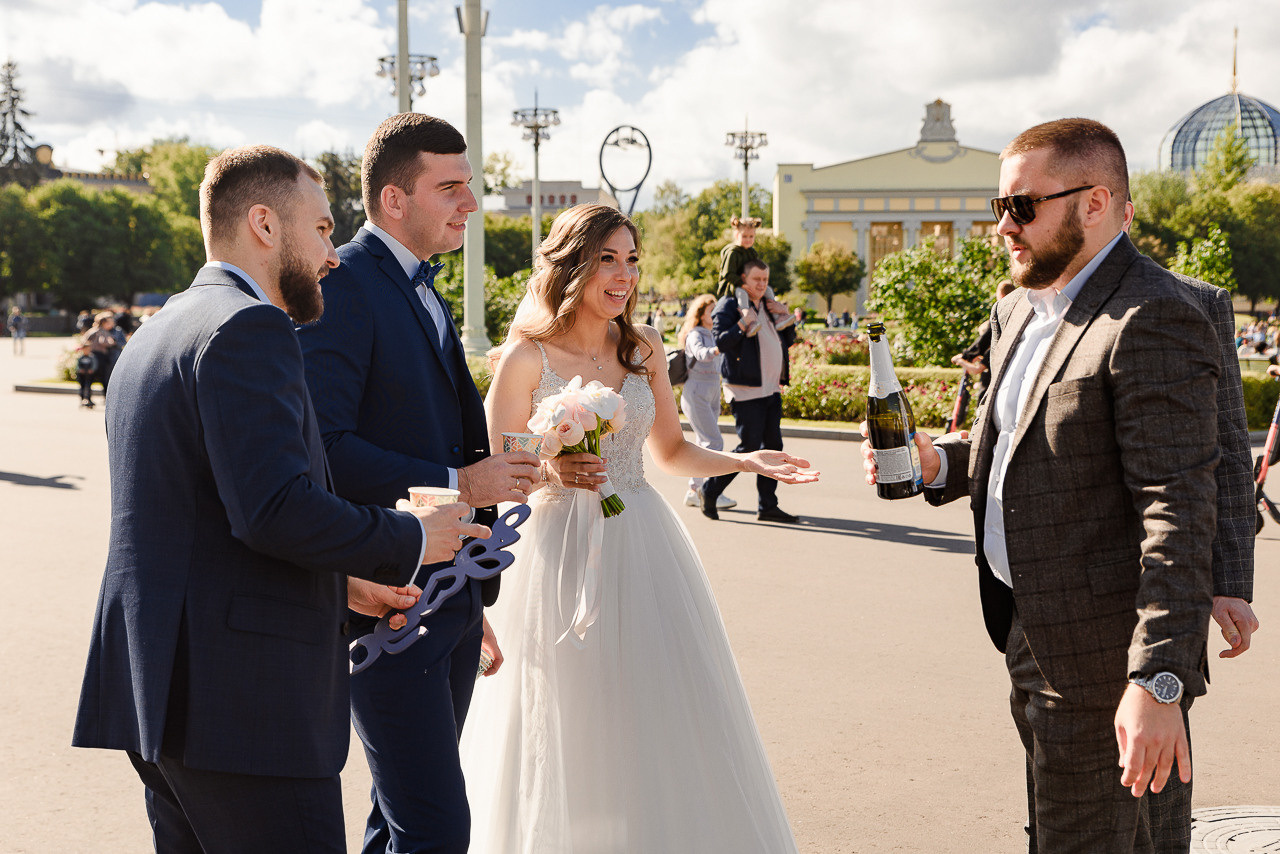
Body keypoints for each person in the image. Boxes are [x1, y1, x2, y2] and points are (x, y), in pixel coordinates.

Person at [72, 144, 489, 854]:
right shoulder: (249, 326)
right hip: (246, 708)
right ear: (264, 225)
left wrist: (341, 581)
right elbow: (274, 508)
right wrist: (412, 535)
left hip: (160, 697)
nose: (333, 254)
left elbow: (211, 516)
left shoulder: (160, 330)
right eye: (324, 230)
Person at [864, 118, 1220, 852]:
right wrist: (939, 465)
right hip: (1027, 627)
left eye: (1022, 206)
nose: (1003, 226)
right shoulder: (1019, 308)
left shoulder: (1151, 317)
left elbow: (1178, 511)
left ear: (1095, 203)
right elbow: (1024, 446)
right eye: (1000, 206)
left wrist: (1159, 680)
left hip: (1106, 663)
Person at [461, 202, 816, 853]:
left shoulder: (644, 346)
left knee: (655, 718)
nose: (623, 276)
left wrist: (742, 457)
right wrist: (552, 472)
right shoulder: (525, 360)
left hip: (644, 546)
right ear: (572, 265)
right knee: (569, 721)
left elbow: (671, 453)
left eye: (631, 260)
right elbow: (497, 475)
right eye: (607, 259)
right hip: (557, 554)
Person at [297, 112, 540, 854]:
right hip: (389, 603)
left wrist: (467, 596)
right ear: (394, 200)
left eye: (471, 186)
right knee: (435, 829)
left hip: (450, 596)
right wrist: (460, 480)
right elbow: (325, 447)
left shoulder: (423, 288)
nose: (471, 203)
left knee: (399, 820)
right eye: (452, 187)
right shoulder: (343, 285)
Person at [701, 259, 800, 523]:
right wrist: (743, 324)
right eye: (757, 279)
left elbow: (788, 340)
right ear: (743, 279)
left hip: (770, 388)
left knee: (773, 447)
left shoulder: (767, 305)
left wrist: (785, 316)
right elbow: (721, 341)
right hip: (745, 389)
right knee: (749, 447)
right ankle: (709, 490)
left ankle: (767, 506)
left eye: (765, 280)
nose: (762, 284)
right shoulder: (730, 305)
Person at [678, 293, 734, 509]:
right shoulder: (696, 334)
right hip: (696, 391)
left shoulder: (714, 333)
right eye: (712, 311)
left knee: (705, 443)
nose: (716, 315)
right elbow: (702, 354)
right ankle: (711, 492)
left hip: (711, 390)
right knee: (714, 442)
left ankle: (694, 490)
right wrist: (721, 347)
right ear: (701, 314)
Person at [718, 215, 792, 333]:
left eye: (751, 236)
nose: (748, 239)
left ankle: (777, 318)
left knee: (768, 290)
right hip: (734, 285)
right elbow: (727, 274)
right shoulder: (732, 253)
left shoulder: (752, 253)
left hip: (748, 284)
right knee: (742, 294)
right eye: (744, 236)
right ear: (737, 235)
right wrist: (743, 284)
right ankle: (749, 321)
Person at [952, 279, 1017, 399]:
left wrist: (965, 357)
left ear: (1001, 295)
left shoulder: (1001, 313)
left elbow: (985, 339)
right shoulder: (1019, 313)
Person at [82, 312, 121, 392]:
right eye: (109, 322)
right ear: (104, 323)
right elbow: (103, 342)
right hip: (99, 356)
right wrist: (112, 343)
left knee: (93, 378)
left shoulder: (93, 331)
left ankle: (87, 397)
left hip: (95, 355)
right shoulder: (100, 332)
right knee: (102, 378)